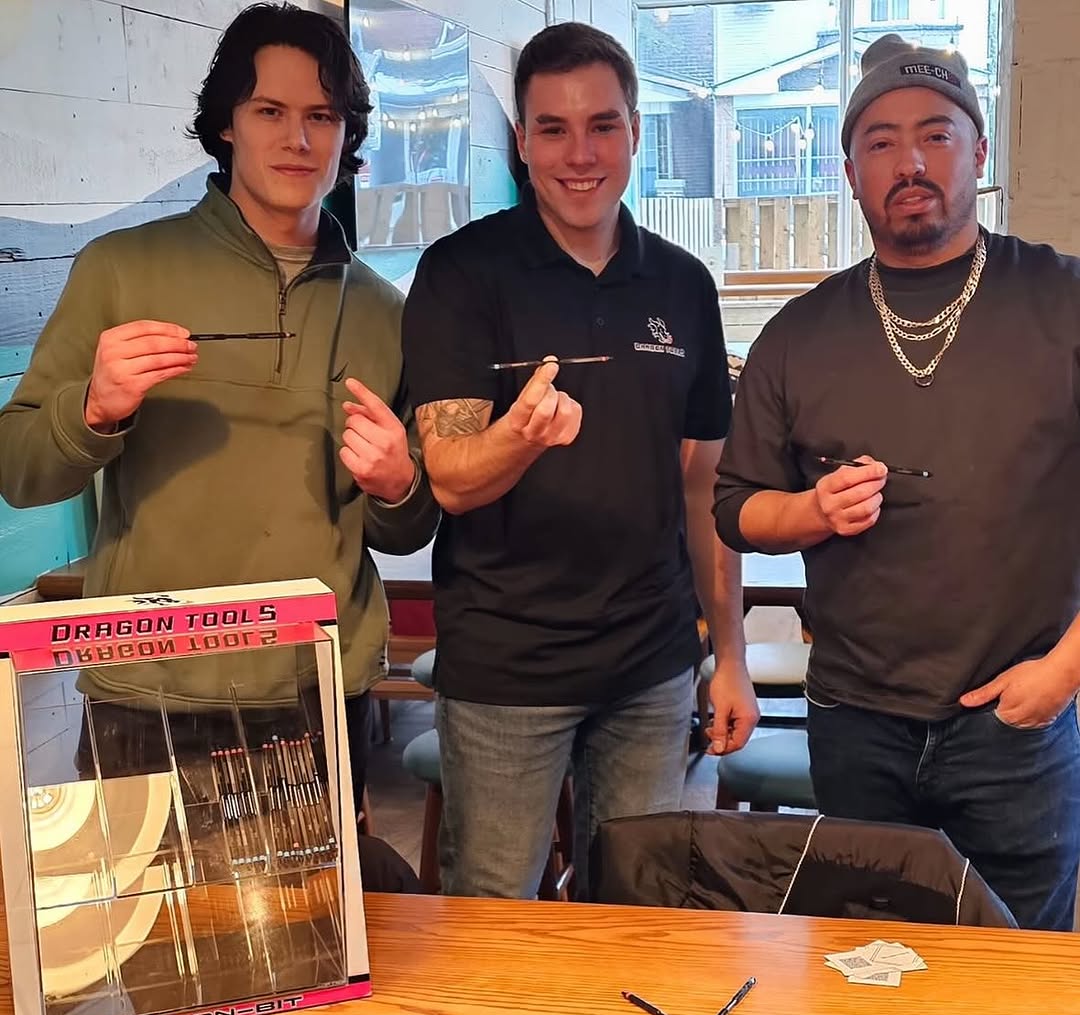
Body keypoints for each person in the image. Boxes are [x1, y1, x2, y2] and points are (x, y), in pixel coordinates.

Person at [0, 2, 439, 812]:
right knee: (147, 900)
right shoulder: (121, 269)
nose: (297, 139)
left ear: (348, 134)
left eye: (322, 116)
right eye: (269, 111)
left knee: (316, 901)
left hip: (315, 687)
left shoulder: (384, 311)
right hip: (146, 690)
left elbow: (405, 530)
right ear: (227, 124)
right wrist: (91, 410)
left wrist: (398, 486)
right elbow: (20, 471)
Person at [713, 34, 1080, 931]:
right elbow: (735, 508)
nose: (909, 162)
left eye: (936, 135)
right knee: (868, 966)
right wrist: (809, 511)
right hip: (855, 723)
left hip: (1018, 722)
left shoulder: (1062, 301)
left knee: (1020, 974)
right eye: (880, 142)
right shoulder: (799, 334)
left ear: (979, 152)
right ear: (850, 173)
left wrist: (1064, 674)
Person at [402, 22, 757, 899]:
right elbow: (450, 479)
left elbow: (703, 485)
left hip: (653, 665)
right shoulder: (461, 273)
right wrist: (519, 438)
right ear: (522, 143)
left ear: (635, 130)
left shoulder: (682, 283)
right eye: (553, 129)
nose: (581, 154)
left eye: (603, 125)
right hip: (506, 671)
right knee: (494, 921)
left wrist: (732, 655)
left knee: (638, 910)